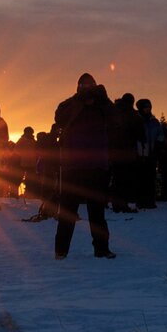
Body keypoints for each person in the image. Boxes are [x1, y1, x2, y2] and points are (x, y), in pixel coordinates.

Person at [52, 73, 116, 259]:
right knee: (68, 212)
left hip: (96, 166)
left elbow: (117, 120)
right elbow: (60, 118)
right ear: (78, 88)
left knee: (97, 213)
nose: (88, 90)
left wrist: (104, 99)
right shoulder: (70, 105)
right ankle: (61, 250)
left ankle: (102, 249)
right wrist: (78, 101)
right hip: (74, 167)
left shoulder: (102, 106)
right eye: (84, 86)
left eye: (91, 86)